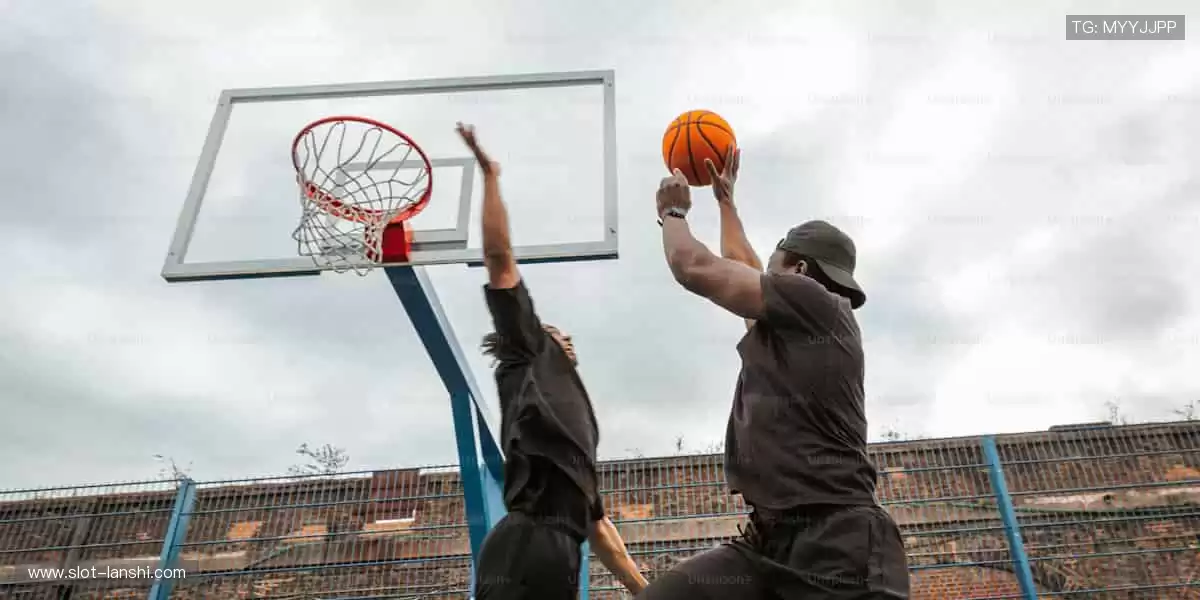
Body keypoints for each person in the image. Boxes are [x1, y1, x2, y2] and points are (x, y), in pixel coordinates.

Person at [639, 149, 910, 599]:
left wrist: (673, 211)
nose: (762, 273)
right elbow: (741, 264)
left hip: (839, 546)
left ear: (799, 271)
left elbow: (696, 267)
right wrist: (726, 203)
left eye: (774, 262)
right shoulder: (798, 324)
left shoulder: (813, 302)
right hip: (771, 540)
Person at [456, 123, 648, 600]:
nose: (567, 337)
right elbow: (500, 260)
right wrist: (491, 175)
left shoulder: (576, 422)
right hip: (526, 544)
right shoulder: (527, 353)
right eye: (558, 330)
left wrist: (645, 589)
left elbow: (601, 531)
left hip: (562, 551)